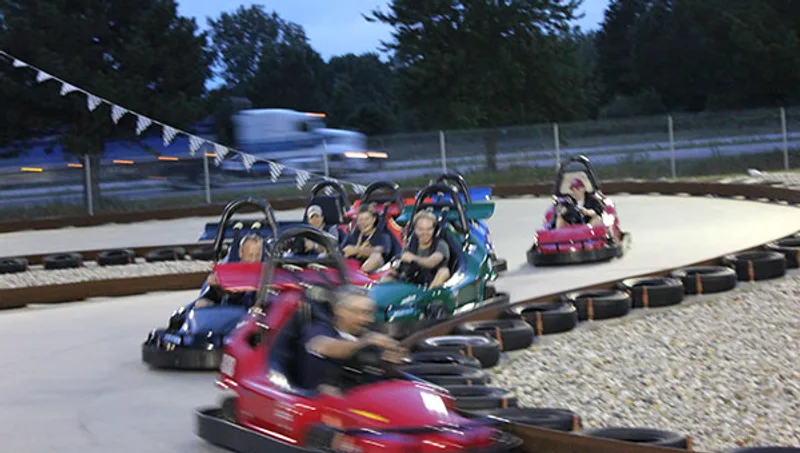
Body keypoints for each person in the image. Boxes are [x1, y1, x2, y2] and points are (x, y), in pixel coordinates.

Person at [298, 285, 408, 394]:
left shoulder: (367, 336)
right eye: (358, 312)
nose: (366, 319)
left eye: (369, 313)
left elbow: (385, 374)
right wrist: (366, 341)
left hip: (370, 396)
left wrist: (390, 360)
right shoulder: (317, 330)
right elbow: (327, 347)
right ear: (338, 310)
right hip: (323, 399)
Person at [382, 211, 451, 288]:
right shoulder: (410, 246)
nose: (425, 233)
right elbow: (400, 264)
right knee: (386, 278)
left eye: (429, 229)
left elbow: (432, 262)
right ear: (415, 229)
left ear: (434, 229)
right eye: (421, 229)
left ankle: (427, 297)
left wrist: (413, 258)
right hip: (411, 281)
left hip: (430, 282)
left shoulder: (441, 245)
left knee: (444, 272)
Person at [194, 234, 264, 308]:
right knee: (201, 304)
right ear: (241, 253)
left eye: (257, 255)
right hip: (227, 309)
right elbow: (211, 295)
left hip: (251, 312)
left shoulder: (267, 273)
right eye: (250, 255)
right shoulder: (228, 271)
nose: (254, 260)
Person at [341, 204, 392, 273]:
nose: (363, 223)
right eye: (360, 220)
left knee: (376, 256)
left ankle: (360, 275)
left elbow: (379, 250)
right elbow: (341, 250)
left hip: (374, 271)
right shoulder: (353, 236)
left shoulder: (382, 236)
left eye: (367, 219)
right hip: (351, 269)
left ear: (374, 219)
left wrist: (357, 250)